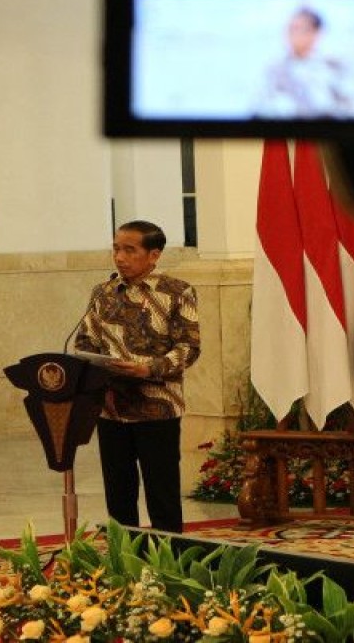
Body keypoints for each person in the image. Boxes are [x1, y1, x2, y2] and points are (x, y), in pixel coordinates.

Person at [74, 220, 201, 534]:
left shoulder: (177, 292)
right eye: (117, 248)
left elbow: (190, 347)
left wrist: (148, 369)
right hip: (111, 408)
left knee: (162, 492)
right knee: (118, 493)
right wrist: (95, 366)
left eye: (130, 250)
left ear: (153, 254)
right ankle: (123, 556)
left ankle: (171, 558)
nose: (120, 257)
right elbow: (85, 342)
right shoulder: (103, 292)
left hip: (157, 407)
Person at [252, 7, 353, 119]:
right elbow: (259, 107)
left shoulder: (334, 66)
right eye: (290, 29)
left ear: (315, 33)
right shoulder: (275, 69)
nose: (290, 35)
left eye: (297, 29)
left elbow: (348, 108)